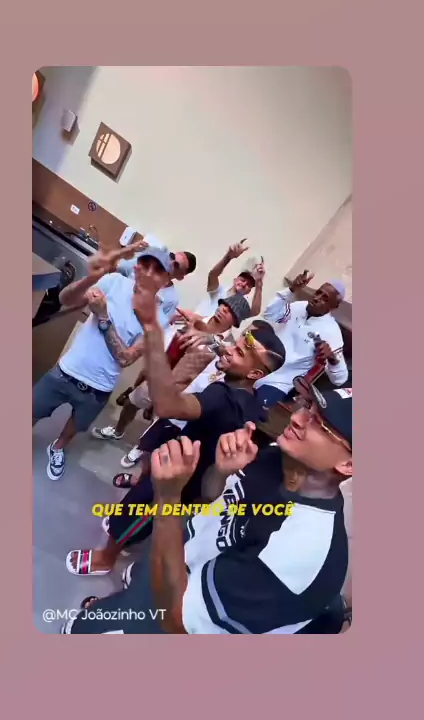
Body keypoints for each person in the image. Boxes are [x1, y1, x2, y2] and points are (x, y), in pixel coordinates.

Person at [60, 377, 352, 634]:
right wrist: (223, 471)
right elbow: (211, 500)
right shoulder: (275, 456)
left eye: (321, 425)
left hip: (171, 616)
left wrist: (168, 497)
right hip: (172, 564)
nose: (298, 418)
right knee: (106, 611)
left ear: (349, 464)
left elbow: (177, 622)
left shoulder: (302, 553)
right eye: (308, 407)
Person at [65, 270, 286, 576]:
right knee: (139, 504)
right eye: (235, 345)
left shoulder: (222, 397)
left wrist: (153, 338)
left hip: (180, 477)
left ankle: (106, 559)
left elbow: (168, 405)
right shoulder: (248, 396)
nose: (229, 350)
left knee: (139, 512)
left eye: (239, 352)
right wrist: (212, 340)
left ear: (255, 374)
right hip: (187, 462)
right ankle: (125, 532)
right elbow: (219, 345)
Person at [32, 245, 174, 480]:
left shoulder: (159, 320)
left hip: (99, 388)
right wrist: (91, 278)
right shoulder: (114, 282)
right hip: (67, 370)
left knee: (76, 425)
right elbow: (66, 299)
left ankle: (57, 447)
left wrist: (104, 317)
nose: (149, 273)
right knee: (32, 409)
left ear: (167, 279)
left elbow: (126, 357)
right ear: (136, 267)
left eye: (158, 270)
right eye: (145, 264)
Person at [91, 293, 252, 448]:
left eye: (230, 311)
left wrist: (212, 342)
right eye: (224, 305)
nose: (224, 309)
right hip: (161, 374)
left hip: (181, 391)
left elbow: (222, 357)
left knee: (156, 428)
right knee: (131, 403)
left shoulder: (228, 346)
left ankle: (139, 451)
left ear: (235, 321)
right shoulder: (195, 320)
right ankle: (117, 431)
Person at [255, 270, 349, 413]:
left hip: (278, 382)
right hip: (259, 362)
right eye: (318, 292)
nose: (317, 298)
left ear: (333, 306)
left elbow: (340, 379)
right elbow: (269, 314)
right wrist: (291, 289)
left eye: (325, 298)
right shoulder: (299, 306)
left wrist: (332, 358)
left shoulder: (332, 332)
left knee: (252, 408)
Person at [194, 239, 265, 319]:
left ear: (248, 291)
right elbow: (213, 275)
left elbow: (255, 311)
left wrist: (259, 282)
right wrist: (228, 257)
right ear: (235, 280)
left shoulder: (241, 305)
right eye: (242, 280)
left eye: (249, 285)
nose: (244, 284)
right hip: (195, 322)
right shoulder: (220, 290)